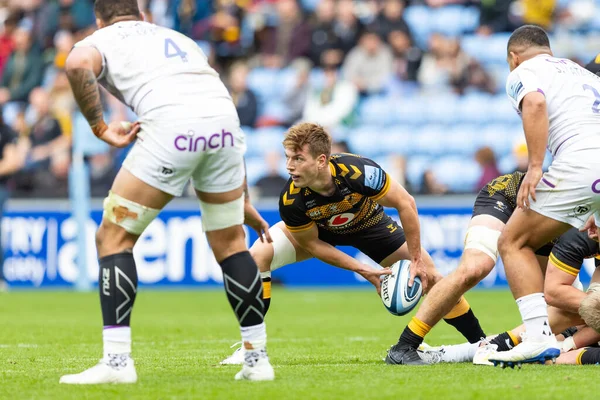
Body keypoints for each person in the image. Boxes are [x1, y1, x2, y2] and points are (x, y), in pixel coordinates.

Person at [59, 0, 273, 384]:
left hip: (173, 126)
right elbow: (212, 98)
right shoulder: (178, 38)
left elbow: (75, 66)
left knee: (113, 238)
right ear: (142, 15)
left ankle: (118, 364)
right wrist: (241, 198)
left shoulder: (101, 39)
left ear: (99, 17)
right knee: (231, 245)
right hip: (225, 125)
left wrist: (99, 127)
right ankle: (257, 360)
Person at [221, 123, 487, 365]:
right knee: (257, 255)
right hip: (320, 232)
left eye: (298, 158)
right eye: (288, 158)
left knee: (432, 277)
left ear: (321, 160)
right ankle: (250, 347)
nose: (289, 166)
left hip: (371, 226)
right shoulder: (291, 199)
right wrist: (363, 270)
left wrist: (416, 259)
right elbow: (313, 245)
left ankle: (481, 344)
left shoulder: (359, 171)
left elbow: (406, 203)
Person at [489, 25, 600, 366]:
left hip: (580, 162)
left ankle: (537, 337)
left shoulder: (524, 71)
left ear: (513, 57)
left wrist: (536, 167)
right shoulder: (582, 72)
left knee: (512, 241)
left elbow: (534, 102)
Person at [387, 171, 556, 364]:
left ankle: (474, 348)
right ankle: (405, 345)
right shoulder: (586, 230)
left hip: (549, 219)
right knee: (475, 267)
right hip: (510, 195)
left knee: (560, 318)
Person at [418, 228, 600, 365]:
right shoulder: (581, 236)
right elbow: (559, 294)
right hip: (525, 218)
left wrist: (563, 351)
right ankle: (455, 352)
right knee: (580, 313)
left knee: (568, 327)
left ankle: (451, 353)